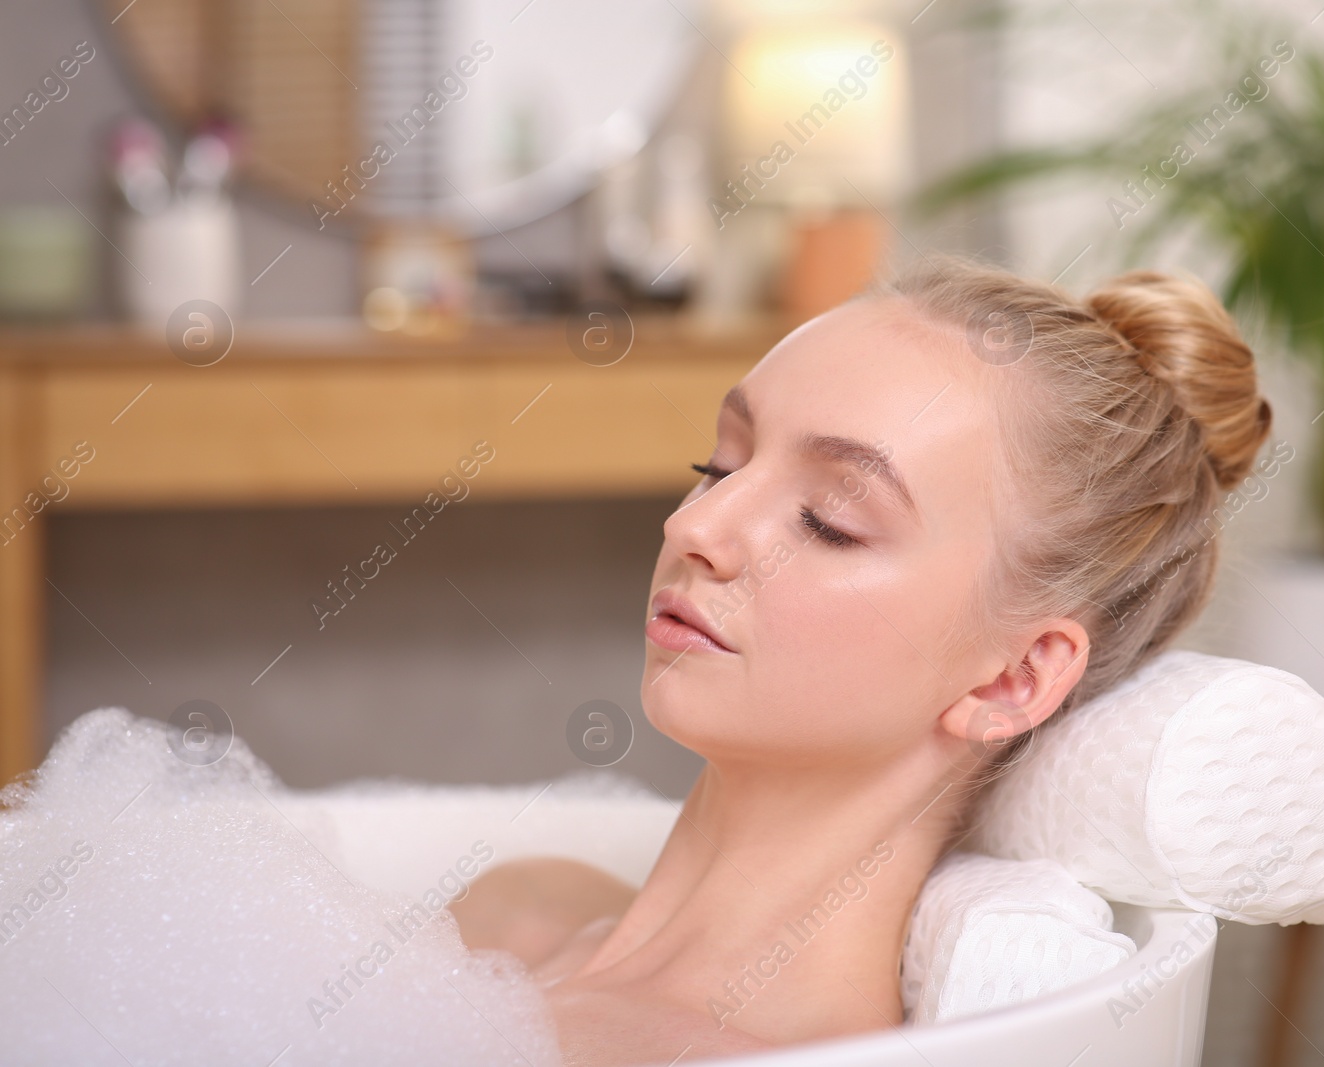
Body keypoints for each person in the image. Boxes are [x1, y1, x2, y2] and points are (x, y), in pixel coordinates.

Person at [450, 254, 1273, 1065]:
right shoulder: (516, 907)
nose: (695, 528)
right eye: (720, 466)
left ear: (1012, 677)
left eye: (827, 520)